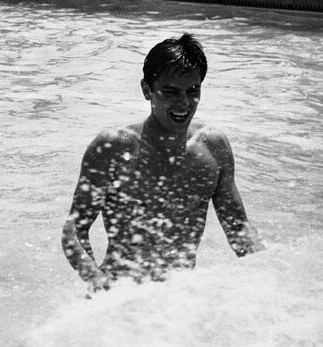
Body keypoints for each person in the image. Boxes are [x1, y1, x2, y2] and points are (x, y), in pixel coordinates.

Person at [62, 33, 264, 293]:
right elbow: (74, 232)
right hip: (120, 294)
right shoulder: (112, 148)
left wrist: (264, 275)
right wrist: (97, 283)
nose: (183, 102)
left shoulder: (213, 147)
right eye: (170, 92)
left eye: (193, 91)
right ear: (147, 89)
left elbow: (238, 228)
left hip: (177, 300)